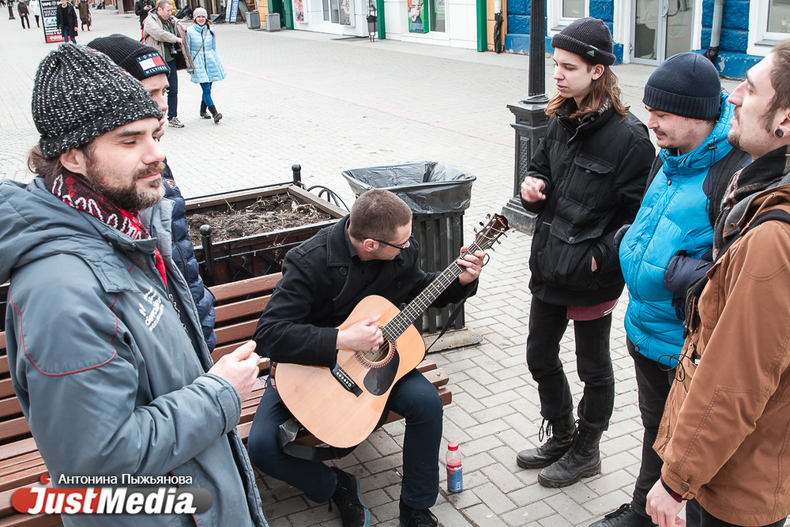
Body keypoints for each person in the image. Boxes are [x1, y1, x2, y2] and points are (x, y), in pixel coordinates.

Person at [0, 44, 267, 527]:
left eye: (155, 134)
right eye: (129, 141)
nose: (156, 154)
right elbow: (98, 464)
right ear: (74, 157)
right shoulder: (62, 292)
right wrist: (221, 392)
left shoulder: (122, 230)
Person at [247, 189, 486, 527]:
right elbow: (269, 334)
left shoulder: (401, 251)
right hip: (306, 370)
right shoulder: (310, 261)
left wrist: (460, 281)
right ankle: (334, 485)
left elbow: (419, 288)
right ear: (371, 244)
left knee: (427, 403)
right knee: (261, 447)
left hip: (376, 365)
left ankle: (416, 507)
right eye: (401, 243)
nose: (409, 245)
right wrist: (341, 339)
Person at [590, 53, 750, 527]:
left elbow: (744, 271)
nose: (651, 122)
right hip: (645, 331)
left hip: (686, 349)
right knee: (654, 434)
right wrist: (628, 243)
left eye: (662, 113)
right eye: (649, 110)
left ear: (698, 116)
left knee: (691, 457)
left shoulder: (733, 173)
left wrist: (693, 274)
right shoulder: (671, 156)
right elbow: (654, 218)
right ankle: (642, 514)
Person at [645, 40, 790, 527]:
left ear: (785, 121)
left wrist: (675, 481)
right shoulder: (760, 192)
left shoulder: (773, 238)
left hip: (736, 481)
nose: (733, 97)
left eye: (750, 89)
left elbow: (735, 382)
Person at [515, 16, 655, 489]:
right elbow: (541, 168)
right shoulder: (560, 116)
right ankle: (561, 433)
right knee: (539, 355)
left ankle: (587, 450)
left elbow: (639, 218)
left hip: (592, 273)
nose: (557, 74)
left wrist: (601, 257)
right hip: (550, 262)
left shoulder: (631, 138)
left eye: (568, 67)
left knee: (592, 368)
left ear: (597, 70)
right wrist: (533, 186)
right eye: (556, 63)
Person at [88, 33, 217, 351]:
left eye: (165, 91)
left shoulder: (153, 160)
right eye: (149, 93)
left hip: (188, 339)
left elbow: (175, 257)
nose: (162, 104)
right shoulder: (111, 182)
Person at [144, 0, 191, 128]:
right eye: (168, 11)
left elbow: (178, 22)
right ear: (159, 9)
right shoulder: (150, 20)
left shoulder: (171, 20)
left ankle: (173, 117)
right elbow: (159, 34)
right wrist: (175, 38)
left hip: (170, 60)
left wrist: (182, 27)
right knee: (155, 90)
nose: (170, 13)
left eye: (171, 11)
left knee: (173, 89)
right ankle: (154, 117)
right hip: (156, 61)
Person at [187, 8, 225, 123]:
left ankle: (202, 110)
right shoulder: (189, 31)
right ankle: (215, 113)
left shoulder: (210, 30)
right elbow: (188, 49)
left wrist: (215, 61)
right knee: (206, 88)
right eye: (198, 17)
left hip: (210, 61)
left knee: (208, 89)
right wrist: (189, 66)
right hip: (197, 63)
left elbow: (213, 47)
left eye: (203, 16)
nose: (201, 19)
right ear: (194, 18)